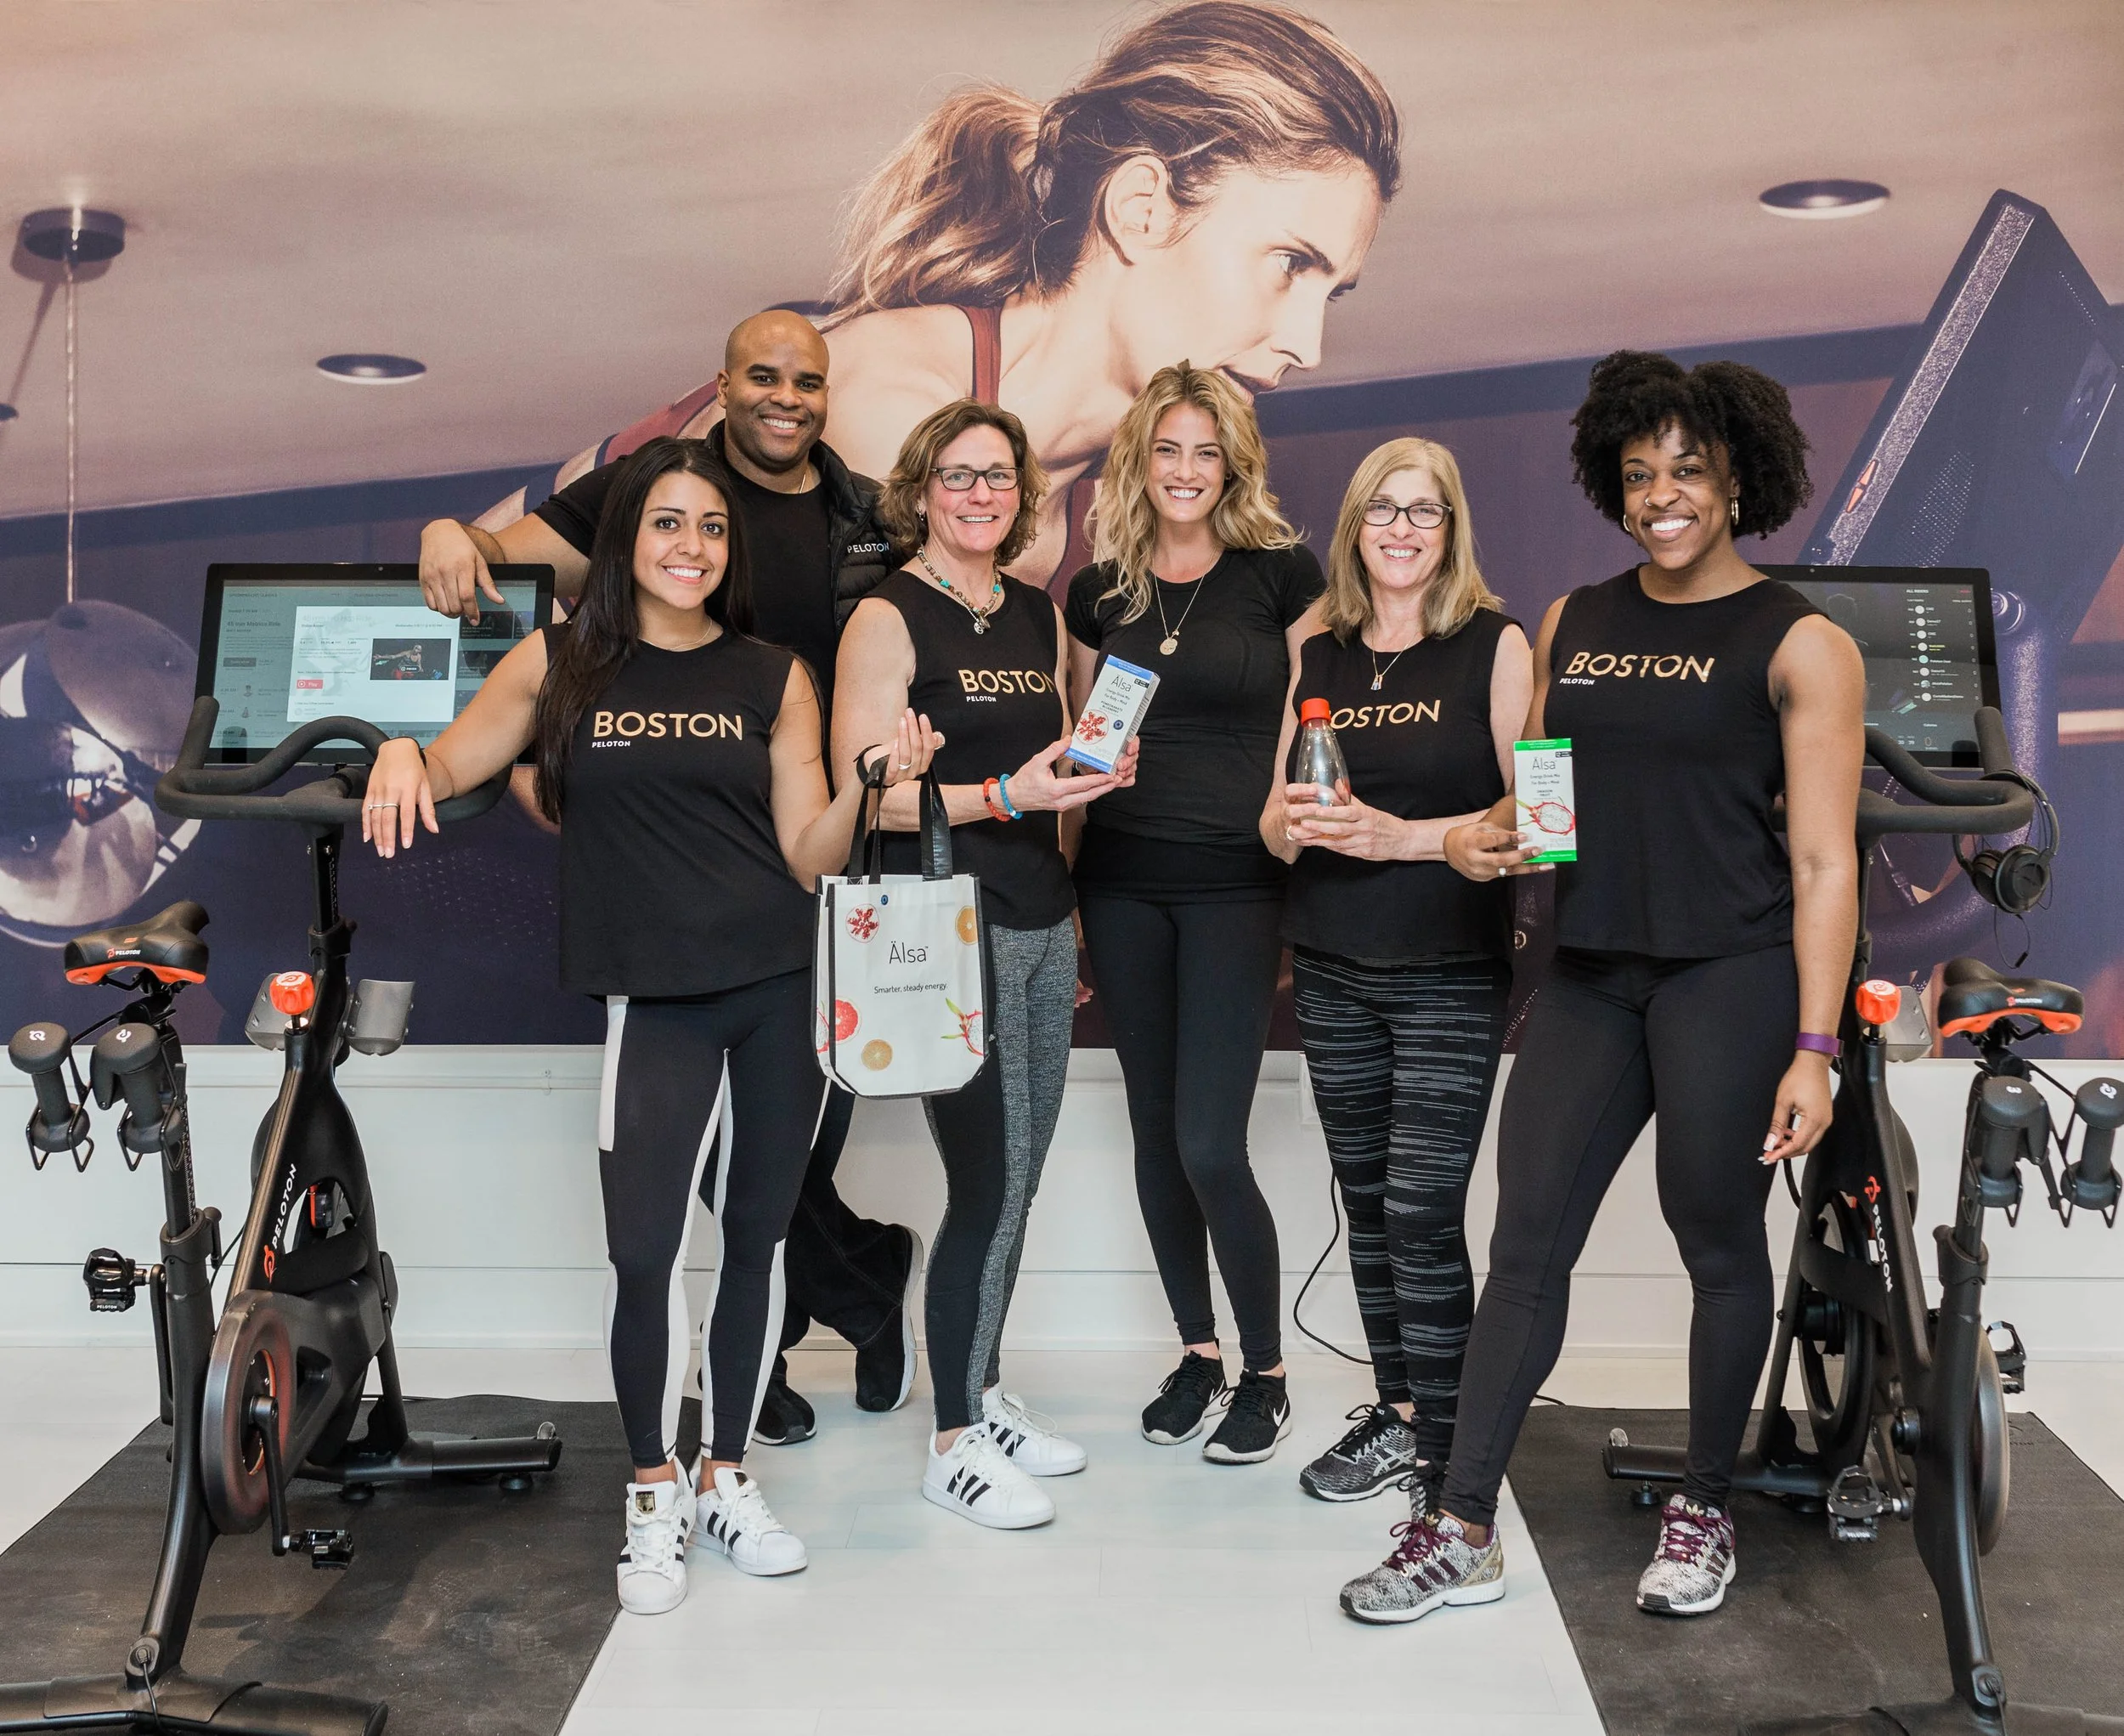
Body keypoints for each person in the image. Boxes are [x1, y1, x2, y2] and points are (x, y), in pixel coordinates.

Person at [1336, 353, 1865, 1625]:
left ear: (1740, 476)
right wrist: (1479, 833)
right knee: (1524, 1243)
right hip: (1588, 973)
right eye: (1638, 475)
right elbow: (1552, 811)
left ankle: (1702, 1506)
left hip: (1727, 976)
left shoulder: (1802, 640)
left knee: (1715, 1236)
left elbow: (1823, 856)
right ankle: (1460, 1520)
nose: (1662, 496)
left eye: (1687, 469)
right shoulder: (1577, 618)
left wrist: (1813, 1044)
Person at [367, 437, 939, 1611]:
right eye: (670, 523)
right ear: (629, 537)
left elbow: (807, 852)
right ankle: (652, 1488)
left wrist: (867, 787)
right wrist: (388, 743)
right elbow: (448, 760)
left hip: (781, 984)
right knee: (642, 1256)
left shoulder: (772, 672)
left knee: (757, 1243)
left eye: (713, 529)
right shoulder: (559, 658)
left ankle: (729, 1470)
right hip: (656, 1000)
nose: (692, 547)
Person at [416, 310, 921, 1444]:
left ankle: (790, 1334)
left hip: (821, 848)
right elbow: (497, 559)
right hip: (667, 876)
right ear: (724, 384)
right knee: (691, 1163)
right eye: (762, 375)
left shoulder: (867, 519)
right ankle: (848, 1292)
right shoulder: (647, 492)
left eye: (807, 379)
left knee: (781, 1162)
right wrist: (450, 529)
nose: (786, 395)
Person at [456, 0, 1400, 591]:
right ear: (1142, 207)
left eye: (1335, 293)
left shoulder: (1105, 508)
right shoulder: (888, 406)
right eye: (1289, 264)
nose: (1306, 346)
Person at [833, 399, 1136, 1528]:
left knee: (1023, 1172)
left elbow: (1054, 764)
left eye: (999, 477)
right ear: (920, 490)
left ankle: (985, 1386)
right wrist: (1003, 793)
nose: (981, 494)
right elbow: (865, 787)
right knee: (987, 1180)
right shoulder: (886, 618)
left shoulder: (1034, 615)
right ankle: (953, 1438)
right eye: (959, 476)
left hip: (1041, 919)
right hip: (941, 934)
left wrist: (1089, 772)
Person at [1262, 438, 1531, 1504]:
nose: (1403, 530)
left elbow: (1547, 823)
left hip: (1449, 971)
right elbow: (1273, 830)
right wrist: (1292, 823)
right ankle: (1402, 1412)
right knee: (1369, 1203)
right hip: (1330, 965)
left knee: (1423, 1207)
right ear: (1353, 528)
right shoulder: (1314, 646)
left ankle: (1450, 1458)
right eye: (1383, 510)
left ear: (1452, 528)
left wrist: (1406, 838)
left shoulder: (1496, 645)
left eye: (1425, 511)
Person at [1061, 362, 1320, 1461]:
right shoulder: (1098, 590)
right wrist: (1065, 889)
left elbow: (1314, 729)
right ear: (1138, 460)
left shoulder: (1279, 574)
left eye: (1205, 450)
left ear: (1234, 465)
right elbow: (1081, 741)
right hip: (1119, 882)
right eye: (1167, 448)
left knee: (1212, 1139)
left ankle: (1266, 1369)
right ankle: (1199, 1348)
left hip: (1236, 885)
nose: (1185, 469)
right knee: (1157, 1137)